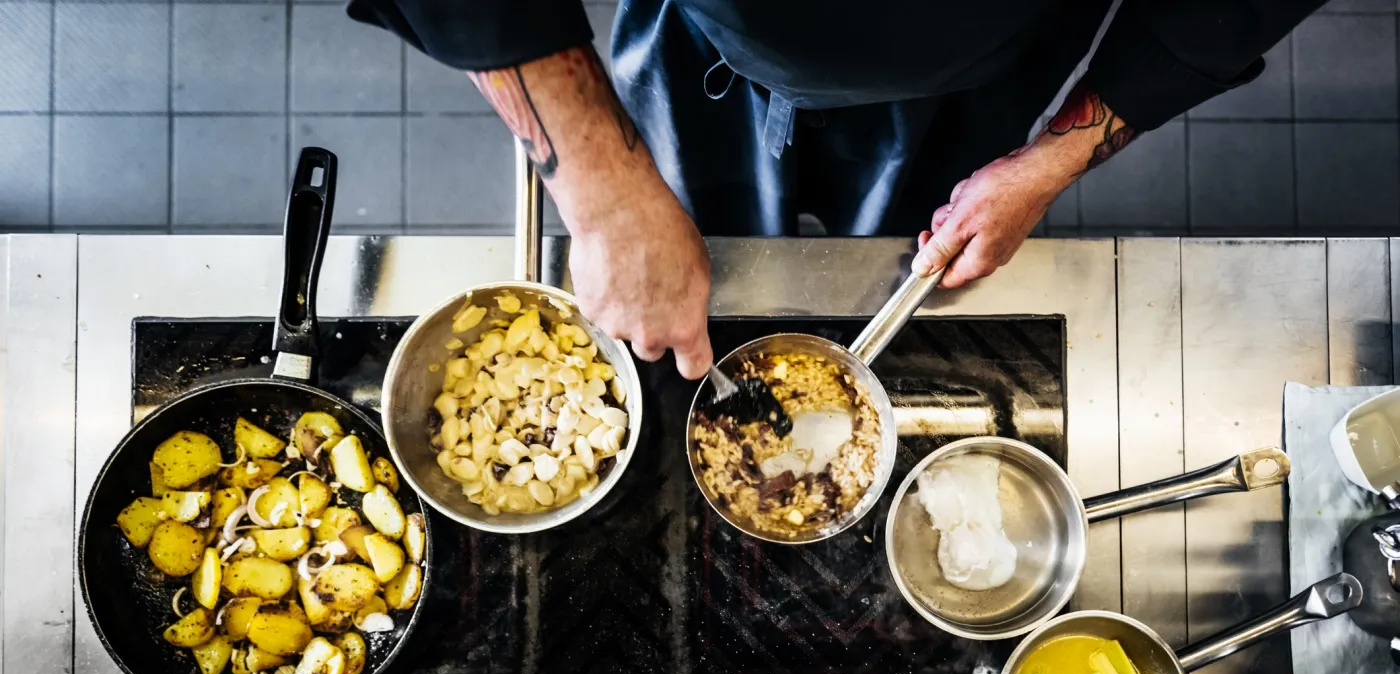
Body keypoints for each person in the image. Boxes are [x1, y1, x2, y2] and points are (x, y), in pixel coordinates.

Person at [348, 0, 1322, 379]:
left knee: (897, 241)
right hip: (711, 63)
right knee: (696, 235)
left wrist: (1050, 158)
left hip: (979, 80)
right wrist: (606, 198)